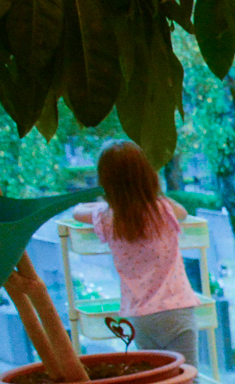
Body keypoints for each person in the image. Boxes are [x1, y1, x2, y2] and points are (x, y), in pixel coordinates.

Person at [72, 142, 201, 370]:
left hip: (140, 316)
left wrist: (103, 204)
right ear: (147, 174)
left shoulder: (108, 217)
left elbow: (77, 211)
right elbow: (182, 212)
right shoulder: (164, 209)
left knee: (155, 380)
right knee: (187, 379)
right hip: (177, 308)